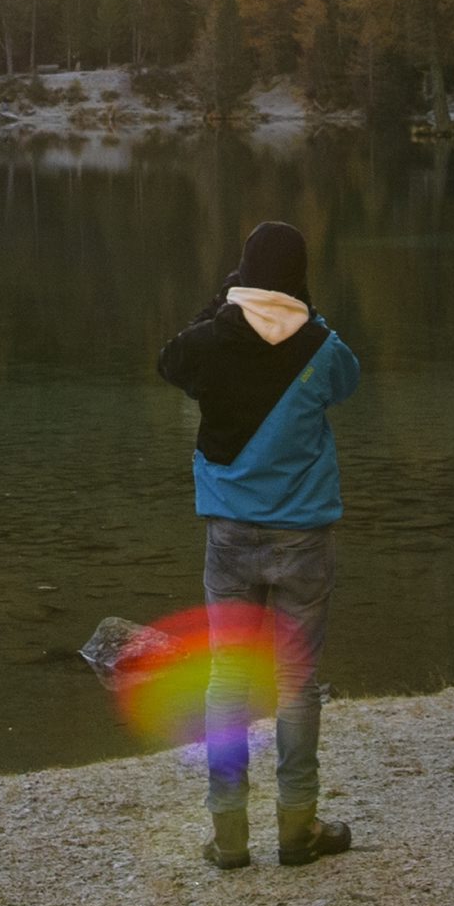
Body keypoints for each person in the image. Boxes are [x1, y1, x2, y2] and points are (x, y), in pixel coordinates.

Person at [153, 216, 362, 870]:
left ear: (243, 272)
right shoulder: (322, 344)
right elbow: (348, 381)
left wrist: (223, 301)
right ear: (300, 277)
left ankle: (230, 833)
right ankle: (297, 829)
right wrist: (308, 312)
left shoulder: (213, 339)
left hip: (231, 535)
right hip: (303, 537)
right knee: (297, 682)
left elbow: (170, 359)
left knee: (226, 679)